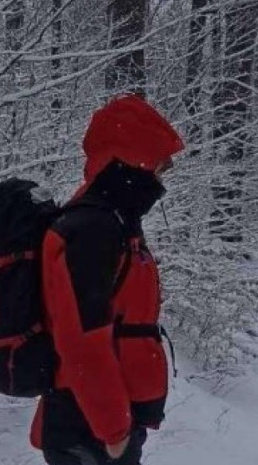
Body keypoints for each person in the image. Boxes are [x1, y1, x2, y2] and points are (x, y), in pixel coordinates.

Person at [31, 95, 183, 465]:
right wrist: (113, 428)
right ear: (133, 161)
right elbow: (81, 339)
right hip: (89, 426)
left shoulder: (114, 222)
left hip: (100, 421)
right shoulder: (92, 229)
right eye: (159, 168)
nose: (161, 180)